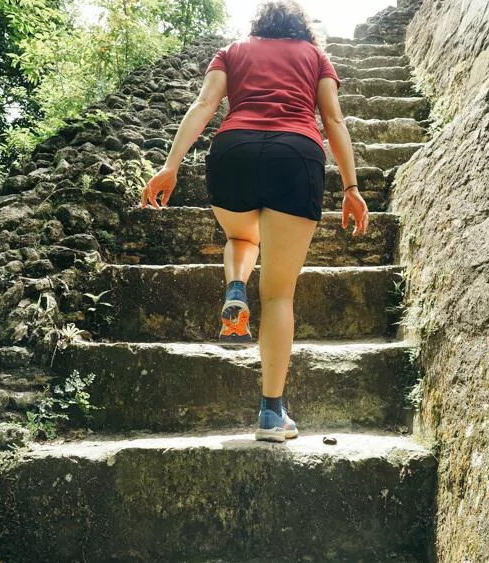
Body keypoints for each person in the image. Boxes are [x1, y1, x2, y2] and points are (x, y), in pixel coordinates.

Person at [141, 0, 369, 442]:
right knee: (280, 294)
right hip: (296, 155)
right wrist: (351, 188)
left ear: (259, 24)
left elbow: (205, 103)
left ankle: (235, 286)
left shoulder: (231, 51)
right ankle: (270, 414)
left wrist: (171, 165)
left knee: (242, 235)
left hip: (233, 153)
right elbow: (334, 118)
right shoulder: (316, 57)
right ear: (300, 28)